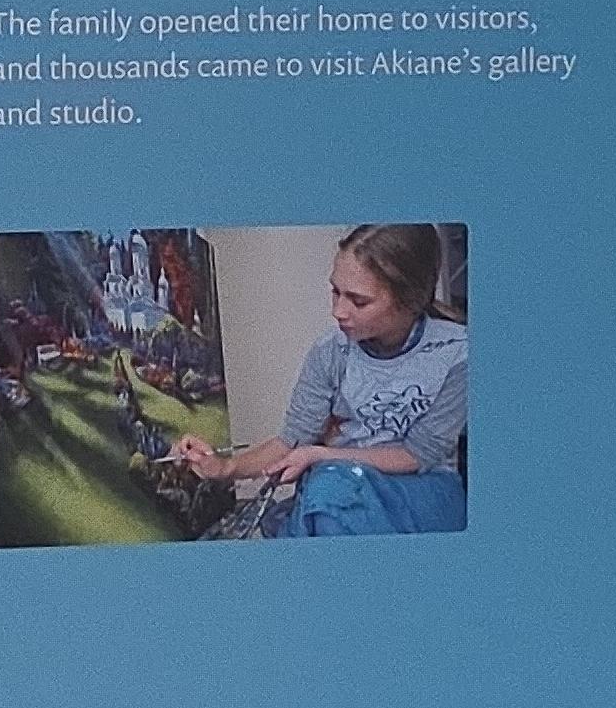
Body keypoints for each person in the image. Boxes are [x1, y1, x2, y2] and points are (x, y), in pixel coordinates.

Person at [172, 224, 467, 534]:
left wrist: (322, 455)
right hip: (339, 489)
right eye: (335, 292)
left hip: (421, 488)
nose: (338, 311)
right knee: (329, 492)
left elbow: (417, 455)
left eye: (358, 301)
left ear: (410, 300)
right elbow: (292, 440)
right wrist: (224, 468)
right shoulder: (330, 351)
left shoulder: (457, 354)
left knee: (330, 490)